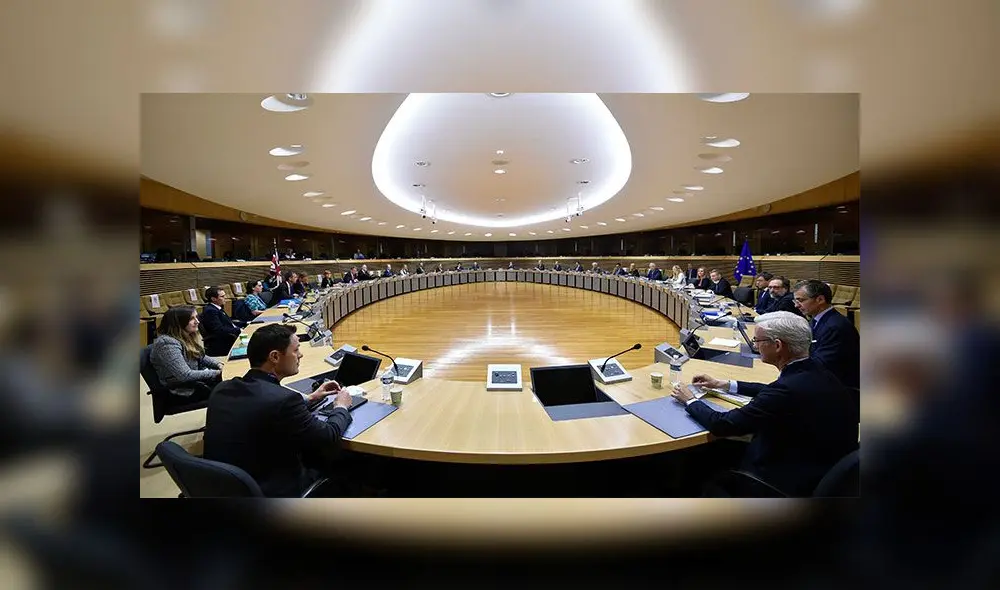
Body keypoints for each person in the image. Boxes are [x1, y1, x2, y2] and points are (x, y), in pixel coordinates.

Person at [670, 311, 859, 496]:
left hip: (780, 480)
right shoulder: (815, 370)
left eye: (757, 341)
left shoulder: (786, 390)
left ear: (777, 346)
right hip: (819, 464)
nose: (754, 345)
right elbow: (772, 390)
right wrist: (724, 384)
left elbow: (723, 424)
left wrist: (690, 399)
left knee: (696, 459)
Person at [203, 324, 354, 497]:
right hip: (272, 492)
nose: (300, 355)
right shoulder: (284, 400)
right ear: (275, 356)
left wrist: (311, 398)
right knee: (347, 461)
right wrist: (341, 406)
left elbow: (263, 408)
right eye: (296, 350)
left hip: (227, 488)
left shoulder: (222, 389)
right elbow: (329, 437)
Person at [794, 280, 860, 390]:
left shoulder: (834, 326)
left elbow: (822, 364)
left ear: (820, 299)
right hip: (824, 381)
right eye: (795, 301)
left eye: (800, 300)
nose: (796, 306)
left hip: (839, 389)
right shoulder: (817, 320)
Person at [150, 306, 222, 400]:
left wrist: (219, 364)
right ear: (178, 323)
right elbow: (185, 375)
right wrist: (217, 373)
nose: (197, 321)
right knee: (235, 389)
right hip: (184, 390)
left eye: (196, 317)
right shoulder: (166, 344)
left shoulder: (184, 336)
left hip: (197, 382)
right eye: (192, 319)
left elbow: (200, 357)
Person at [200, 286, 242, 356]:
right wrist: (238, 330)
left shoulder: (217, 307)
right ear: (213, 299)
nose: (225, 298)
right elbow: (219, 330)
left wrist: (246, 323)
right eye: (222, 296)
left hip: (230, 335)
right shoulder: (210, 311)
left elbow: (229, 323)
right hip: (223, 342)